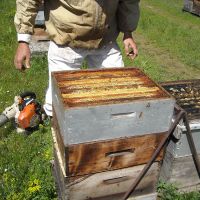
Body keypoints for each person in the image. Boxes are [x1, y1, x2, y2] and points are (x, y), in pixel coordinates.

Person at [14, 0, 140, 117]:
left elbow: (129, 2)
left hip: (106, 40)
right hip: (66, 42)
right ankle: (52, 122)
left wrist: (128, 32)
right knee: (57, 102)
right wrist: (23, 40)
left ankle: (109, 124)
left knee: (116, 93)